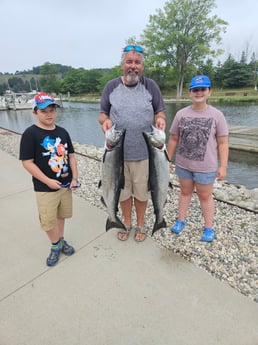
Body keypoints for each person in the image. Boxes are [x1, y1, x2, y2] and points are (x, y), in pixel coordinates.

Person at [99, 44, 166, 242]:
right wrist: (105, 121)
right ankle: (126, 222)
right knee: (124, 193)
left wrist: (160, 119)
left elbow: (159, 111)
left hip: (146, 154)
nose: (133, 66)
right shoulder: (111, 86)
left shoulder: (150, 86)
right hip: (116, 155)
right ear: (122, 64)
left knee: (142, 193)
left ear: (142, 67)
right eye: (129, 62)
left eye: (137, 63)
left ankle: (141, 223)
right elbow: (102, 114)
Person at [19, 92, 79, 266]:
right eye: (44, 111)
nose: (49, 114)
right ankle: (55, 246)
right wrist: (47, 181)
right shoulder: (30, 134)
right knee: (48, 219)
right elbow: (27, 162)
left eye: (52, 110)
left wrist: (75, 178)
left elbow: (72, 157)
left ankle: (60, 239)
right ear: (35, 112)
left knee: (62, 215)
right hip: (45, 188)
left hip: (65, 186)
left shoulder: (63, 132)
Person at [167, 75, 229, 242]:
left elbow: (223, 143)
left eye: (203, 89)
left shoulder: (217, 115)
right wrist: (167, 159)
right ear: (190, 93)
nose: (199, 92)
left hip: (206, 167)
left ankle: (208, 227)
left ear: (209, 92)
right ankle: (181, 220)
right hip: (183, 164)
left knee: (205, 196)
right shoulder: (181, 114)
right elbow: (173, 138)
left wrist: (223, 166)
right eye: (195, 89)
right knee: (185, 192)